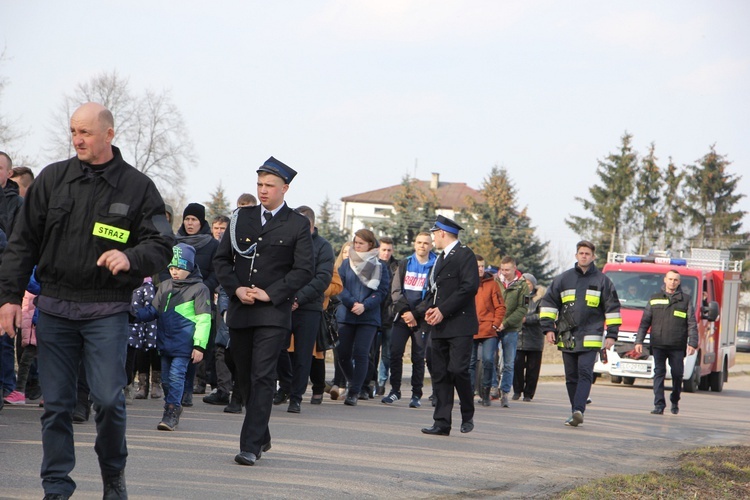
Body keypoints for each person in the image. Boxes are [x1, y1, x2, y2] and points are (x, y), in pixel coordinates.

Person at [0, 102, 174, 498]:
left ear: (109, 135)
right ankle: (57, 487)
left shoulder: (137, 186)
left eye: (86, 133)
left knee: (110, 401)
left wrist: (130, 256)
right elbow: (22, 242)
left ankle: (113, 476)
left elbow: (162, 243)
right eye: (73, 132)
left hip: (106, 310)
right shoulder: (52, 179)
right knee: (57, 406)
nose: (77, 139)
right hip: (56, 307)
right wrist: (8, 297)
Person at [213, 156, 314, 466]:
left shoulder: (296, 224)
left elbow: (304, 269)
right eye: (259, 184)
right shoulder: (240, 218)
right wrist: (235, 289)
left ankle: (250, 445)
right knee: (243, 373)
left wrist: (273, 293)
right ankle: (262, 433)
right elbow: (221, 261)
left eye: (270, 185)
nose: (263, 190)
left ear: (285, 188)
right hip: (242, 310)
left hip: (273, 313)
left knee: (262, 376)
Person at [540, 240, 621, 427]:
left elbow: (613, 309)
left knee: (585, 371)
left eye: (587, 253)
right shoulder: (563, 279)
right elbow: (549, 304)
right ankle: (575, 410)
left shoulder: (603, 281)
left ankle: (578, 410)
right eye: (581, 253)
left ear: (593, 257)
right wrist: (548, 329)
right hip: (567, 335)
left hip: (591, 334)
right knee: (571, 376)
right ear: (576, 256)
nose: (584, 256)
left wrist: (611, 335)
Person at [134, 243, 211, 430]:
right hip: (165, 342)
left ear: (190, 267)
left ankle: (170, 411)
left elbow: (204, 319)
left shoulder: (200, 289)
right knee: (167, 380)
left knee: (176, 376)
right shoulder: (165, 285)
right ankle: (174, 404)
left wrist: (199, 346)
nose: (175, 272)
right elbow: (153, 310)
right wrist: (132, 314)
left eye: (179, 268)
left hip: (184, 344)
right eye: (172, 268)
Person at [418, 215, 479, 436]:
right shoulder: (439, 259)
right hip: (439, 326)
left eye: (434, 234)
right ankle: (442, 422)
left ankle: (467, 414)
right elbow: (434, 291)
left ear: (442, 233)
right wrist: (427, 309)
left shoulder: (465, 255)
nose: (433, 238)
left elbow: (469, 287)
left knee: (458, 370)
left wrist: (443, 310)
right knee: (440, 373)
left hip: (460, 325)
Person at [283, 205, 334, 414]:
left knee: (303, 356)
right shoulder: (287, 242)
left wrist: (299, 298)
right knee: (277, 348)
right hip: (284, 303)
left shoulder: (323, 247)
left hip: (309, 307)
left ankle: (296, 397)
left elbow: (322, 277)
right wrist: (286, 296)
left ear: (311, 225)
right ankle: (285, 386)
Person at [336, 229, 391, 406]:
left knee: (361, 353)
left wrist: (365, 305)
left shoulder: (380, 266)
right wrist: (352, 303)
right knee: (343, 354)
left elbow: (382, 291)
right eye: (355, 242)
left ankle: (354, 392)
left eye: (361, 242)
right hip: (346, 314)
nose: (357, 245)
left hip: (368, 317)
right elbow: (339, 287)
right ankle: (354, 382)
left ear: (370, 244)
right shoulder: (346, 264)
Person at [383, 231, 437, 408]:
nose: (422, 246)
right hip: (402, 317)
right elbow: (396, 291)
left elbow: (433, 295)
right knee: (395, 352)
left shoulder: (435, 265)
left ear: (431, 245)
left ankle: (416, 394)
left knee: (418, 357)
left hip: (422, 319)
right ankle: (395, 391)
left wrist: (416, 314)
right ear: (414, 244)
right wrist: (406, 312)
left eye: (426, 243)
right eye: (419, 242)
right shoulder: (405, 263)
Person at [634, 270, 698, 415]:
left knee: (677, 374)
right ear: (665, 280)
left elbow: (692, 324)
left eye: (675, 280)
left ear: (679, 282)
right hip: (658, 344)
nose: (672, 282)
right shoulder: (654, 298)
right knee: (659, 373)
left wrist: (693, 343)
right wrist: (639, 341)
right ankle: (659, 405)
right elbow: (645, 322)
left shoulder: (686, 300)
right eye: (670, 279)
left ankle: (675, 400)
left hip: (677, 345)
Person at [174, 202, 219, 402]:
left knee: (196, 344)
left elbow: (217, 272)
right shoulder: (175, 243)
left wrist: (202, 288)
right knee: (176, 344)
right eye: (187, 219)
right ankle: (175, 387)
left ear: (202, 222)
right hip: (176, 300)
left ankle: (189, 388)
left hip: (201, 298)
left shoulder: (211, 244)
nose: (190, 223)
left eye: (194, 220)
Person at [469, 254, 506, 407]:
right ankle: (469, 393)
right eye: (477, 266)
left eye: (482, 266)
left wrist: (495, 323)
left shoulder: (492, 284)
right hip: (470, 329)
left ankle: (485, 393)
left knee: (488, 361)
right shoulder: (467, 283)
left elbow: (500, 307)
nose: (480, 269)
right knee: (469, 363)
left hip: (489, 329)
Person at [495, 256, 528, 408]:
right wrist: (496, 322)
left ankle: (505, 392)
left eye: (508, 270)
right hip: (494, 326)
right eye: (502, 269)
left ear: (515, 268)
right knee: (490, 359)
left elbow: (522, 309)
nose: (505, 272)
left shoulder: (522, 285)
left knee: (508, 363)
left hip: (511, 328)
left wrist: (506, 323)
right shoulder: (495, 281)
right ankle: (492, 387)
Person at [513, 273, 546, 402]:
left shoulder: (541, 299)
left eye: (528, 283)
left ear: (533, 284)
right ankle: (517, 391)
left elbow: (542, 316)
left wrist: (527, 319)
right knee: (517, 366)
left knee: (533, 369)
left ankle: (529, 393)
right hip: (518, 338)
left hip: (534, 338)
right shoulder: (516, 297)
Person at [374, 236, 399, 396]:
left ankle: (382, 382)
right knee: (372, 352)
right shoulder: (373, 265)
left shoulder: (397, 267)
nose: (386, 253)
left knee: (387, 353)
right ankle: (372, 381)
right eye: (384, 250)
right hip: (374, 314)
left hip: (390, 316)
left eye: (389, 250)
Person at [328, 241, 351, 400]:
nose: (347, 255)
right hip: (337, 315)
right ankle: (338, 382)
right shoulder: (336, 270)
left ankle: (347, 384)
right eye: (345, 252)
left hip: (354, 314)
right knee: (339, 351)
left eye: (350, 252)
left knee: (352, 353)